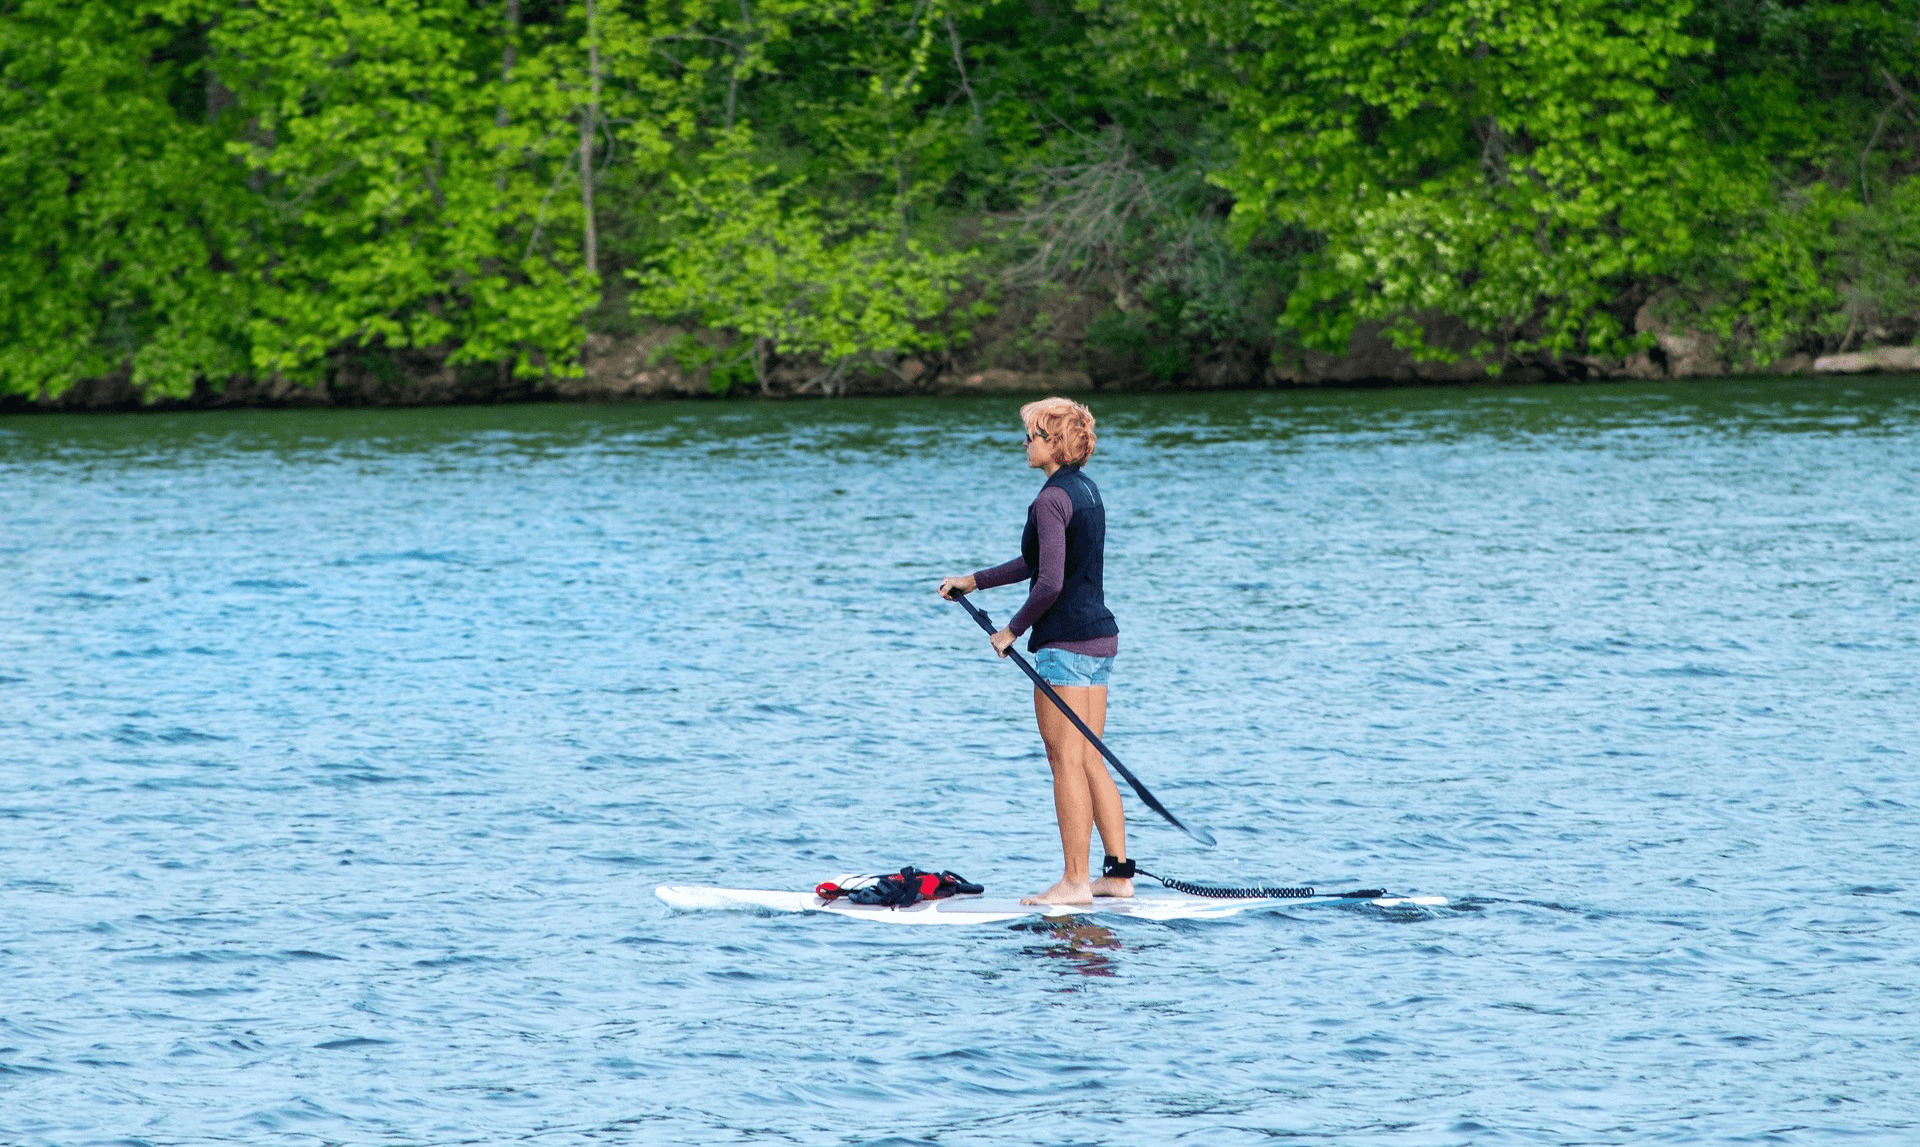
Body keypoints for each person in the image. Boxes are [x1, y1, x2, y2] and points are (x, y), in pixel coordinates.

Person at [938, 397, 1133, 906]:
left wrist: (1011, 631)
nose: (1024, 444)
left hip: (1064, 642)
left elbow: (1048, 582)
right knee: (1089, 758)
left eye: (1031, 436)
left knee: (1065, 761)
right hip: (1099, 636)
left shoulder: (1050, 499)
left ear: (1052, 442)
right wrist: (973, 582)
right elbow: (1036, 562)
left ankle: (1074, 883)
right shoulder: (1086, 490)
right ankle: (1117, 874)